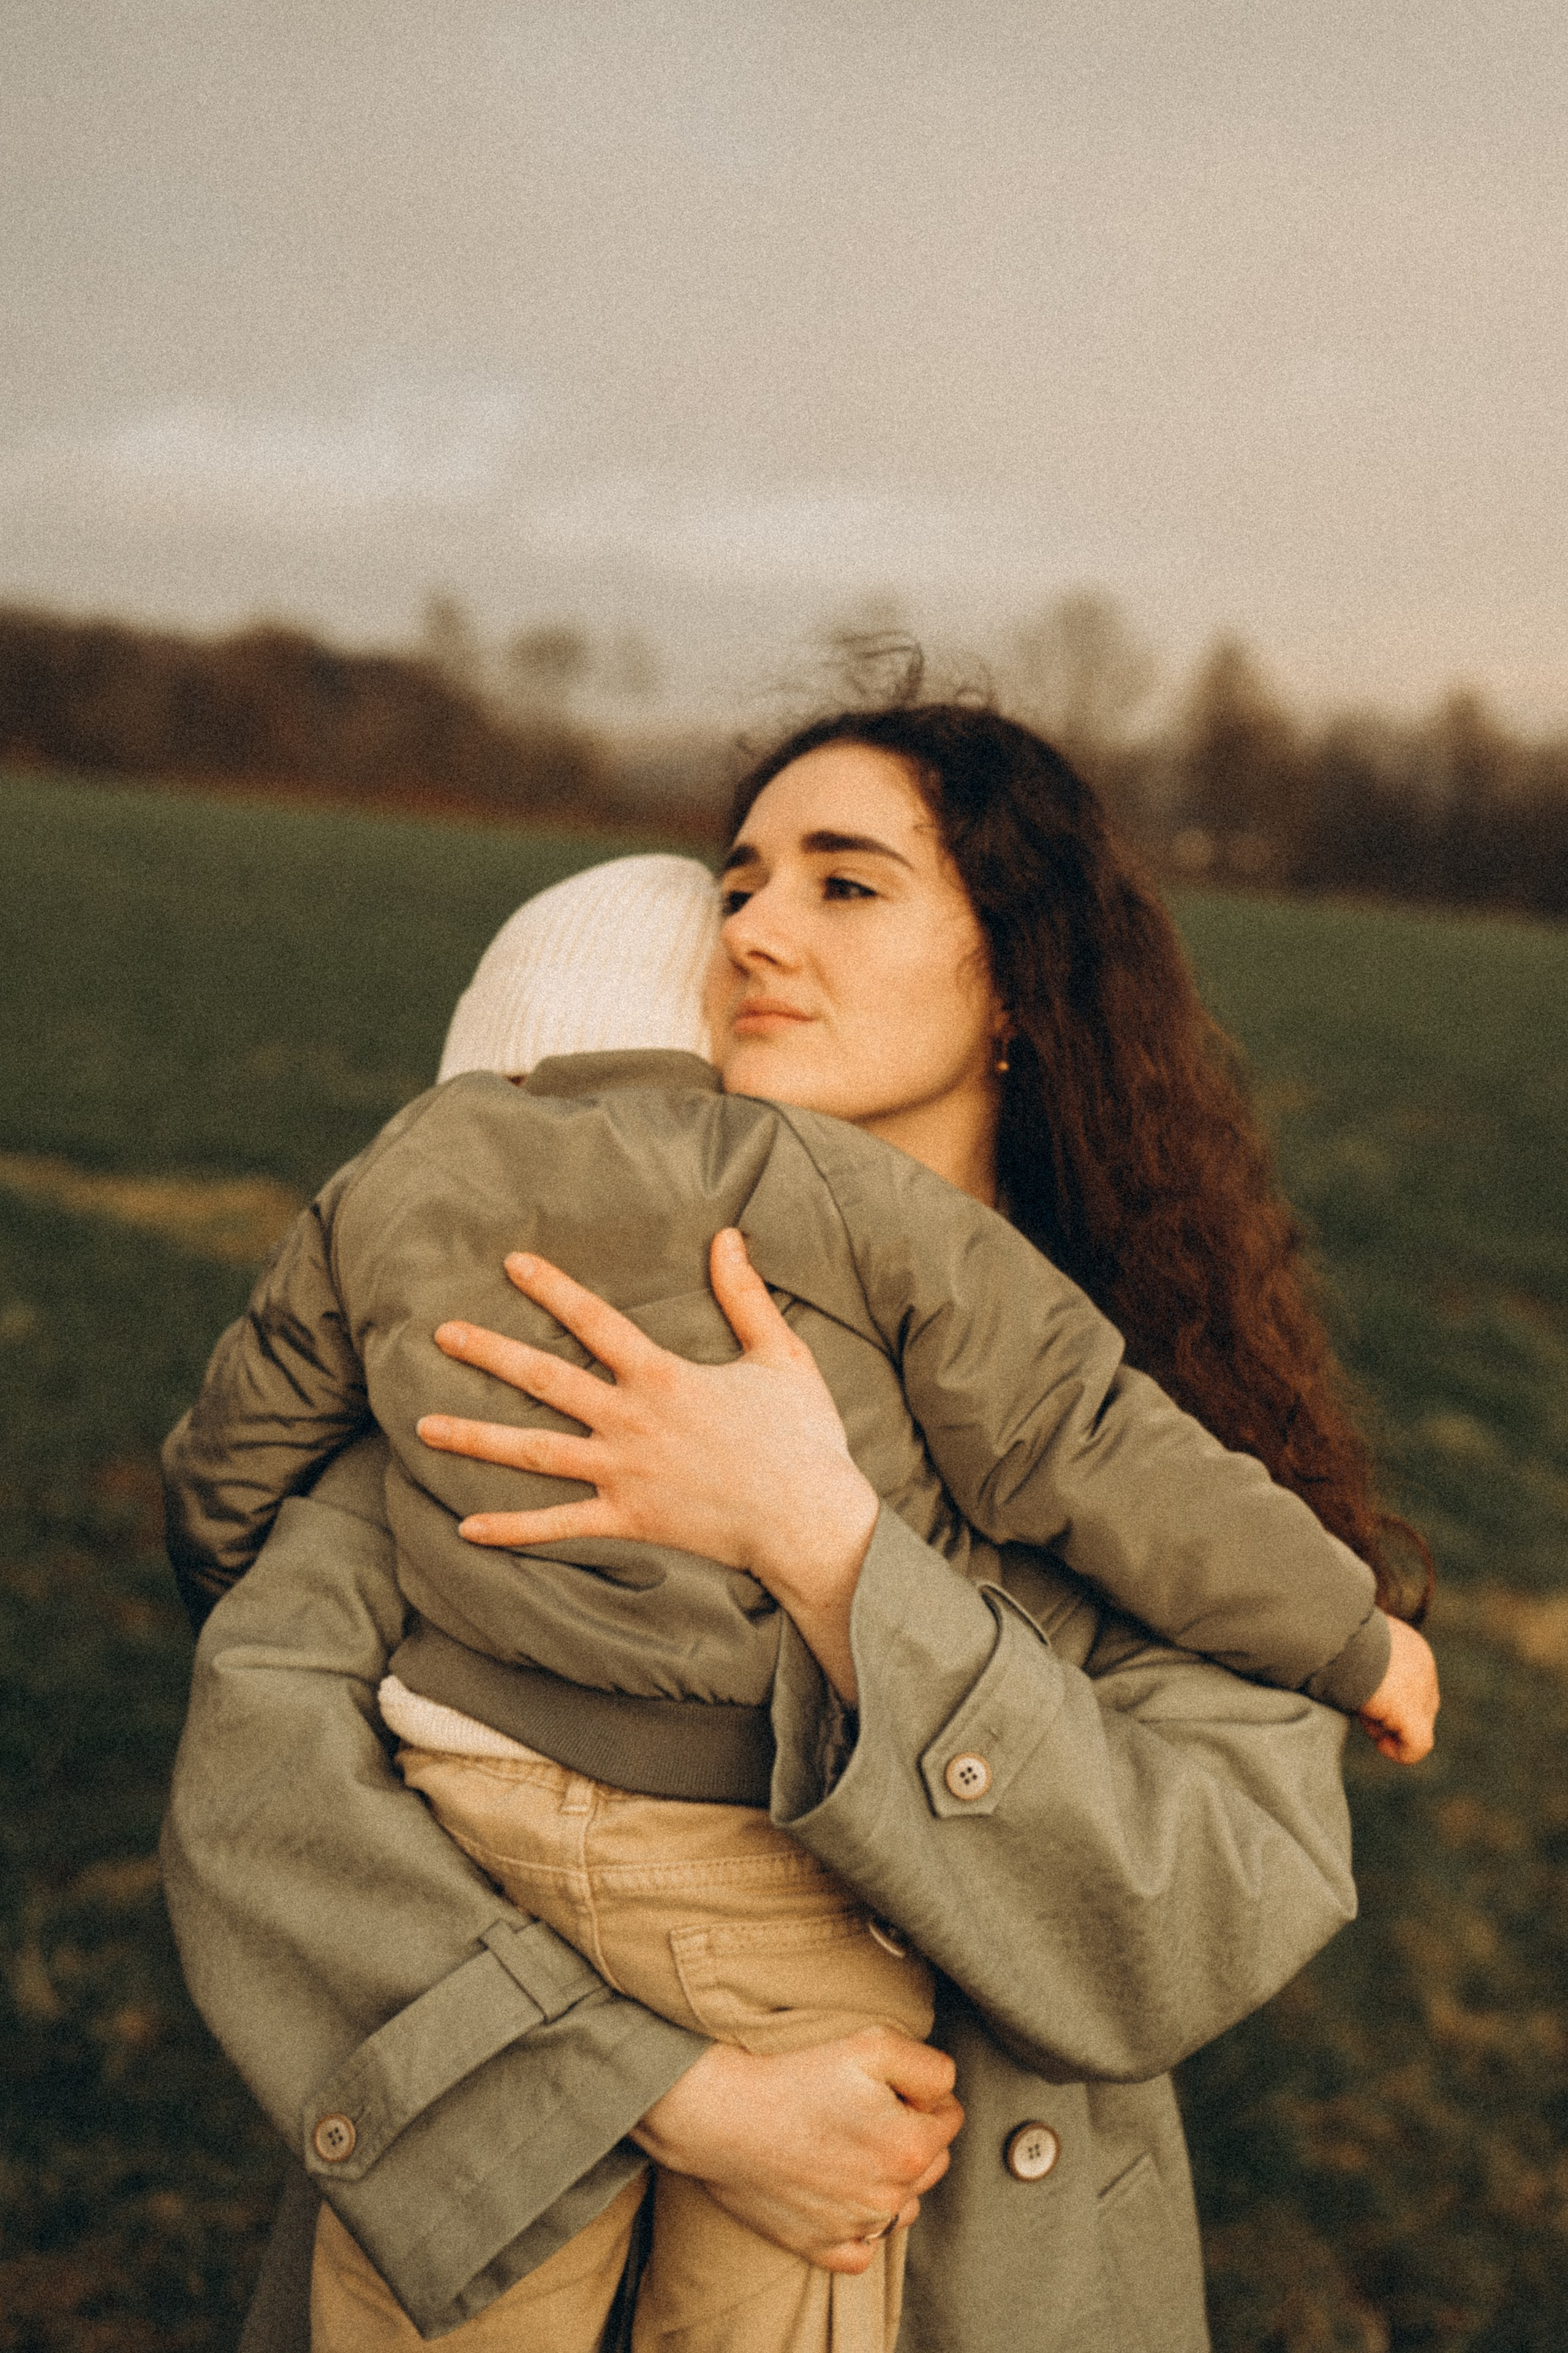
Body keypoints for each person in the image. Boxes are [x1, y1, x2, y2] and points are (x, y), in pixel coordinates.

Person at [163, 702, 1433, 2352]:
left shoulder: (1163, 1456)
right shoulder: (544, 1344)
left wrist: (828, 1546)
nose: (750, 925)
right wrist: (674, 2096)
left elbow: (1182, 1923)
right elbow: (264, 1792)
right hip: (489, 2220)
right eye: (741, 878)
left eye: (846, 885)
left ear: (1020, 992)